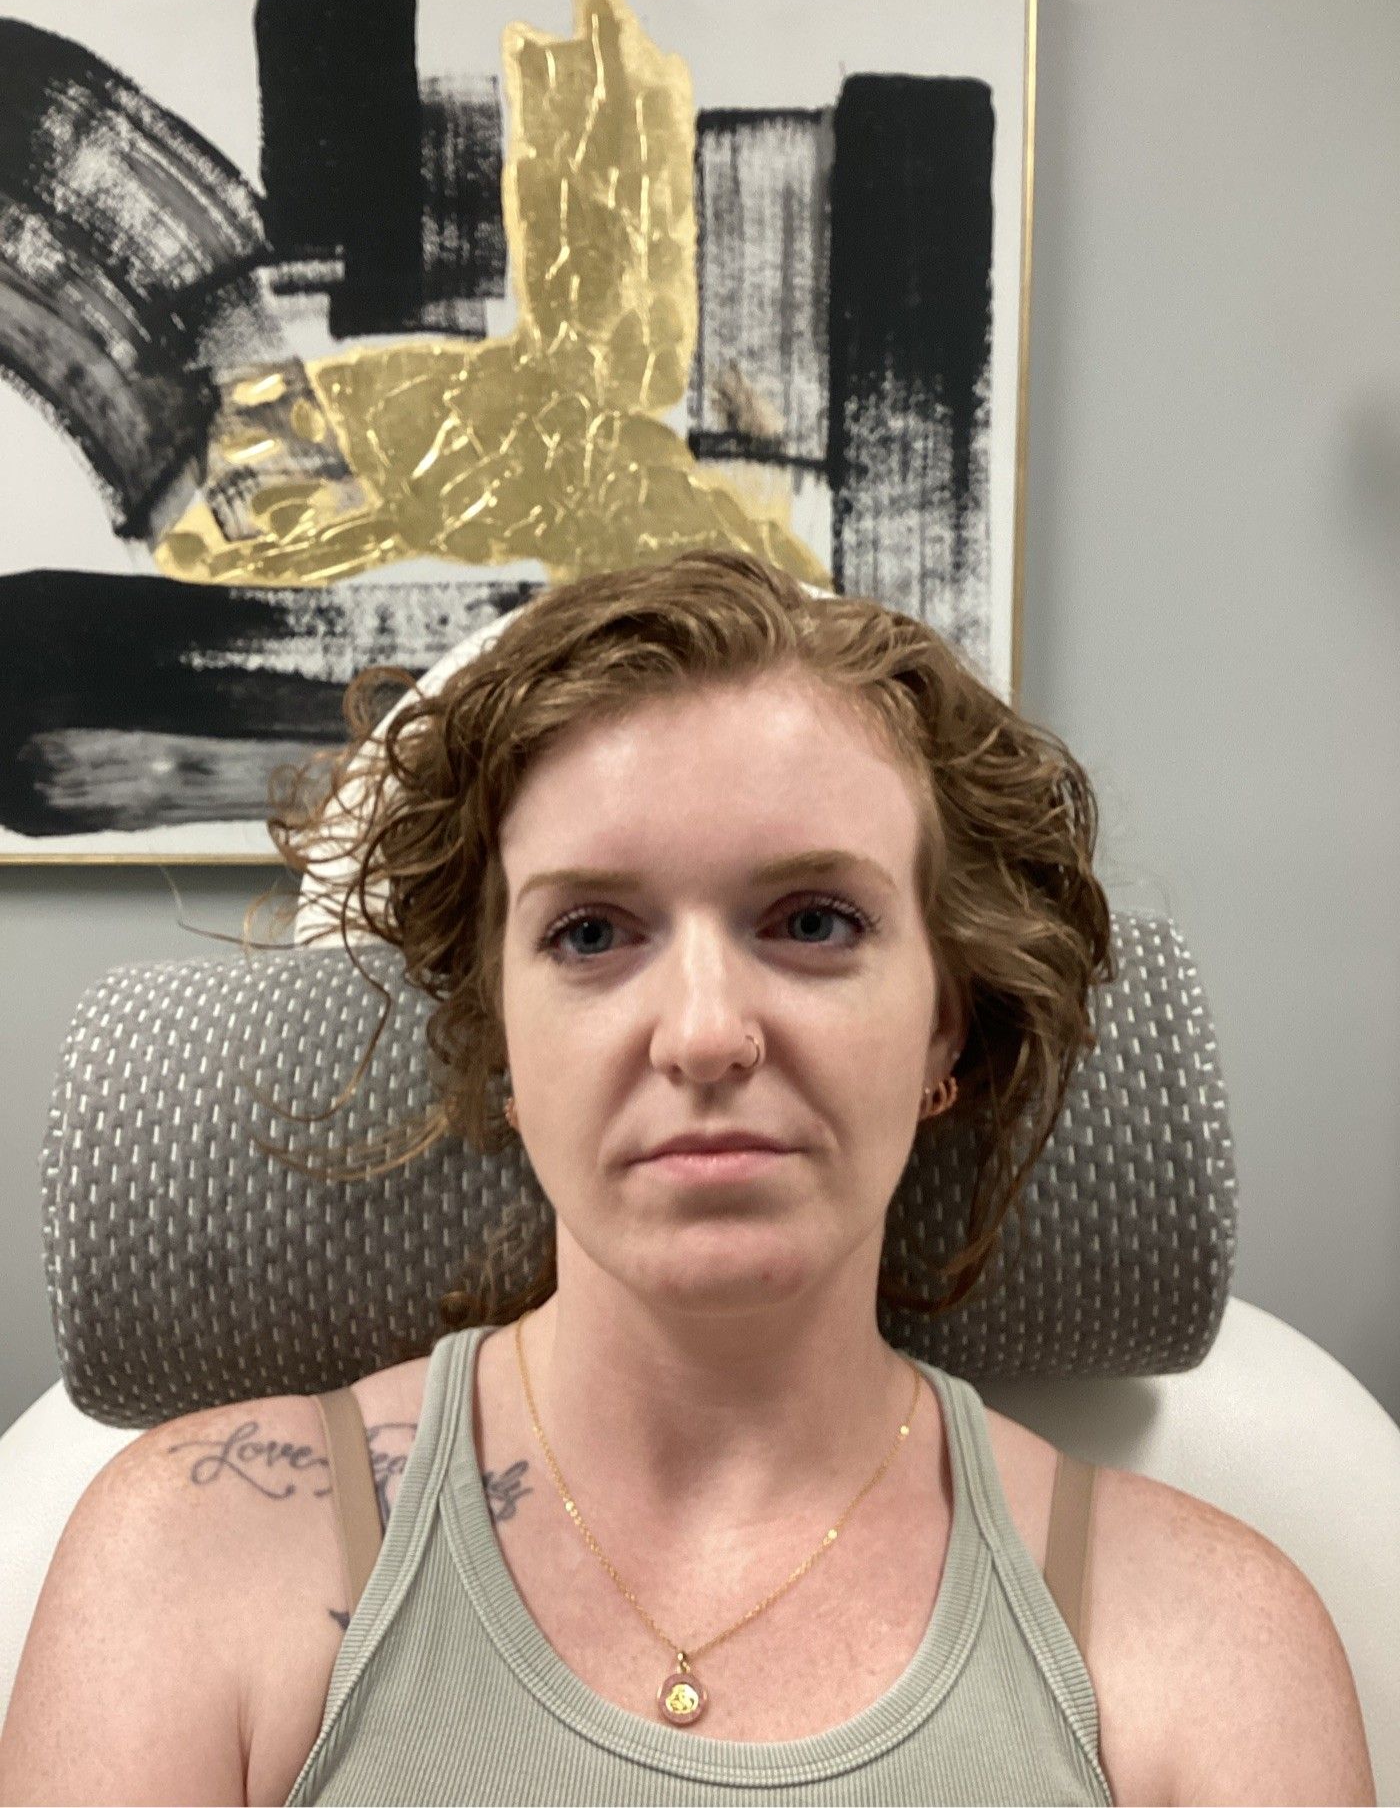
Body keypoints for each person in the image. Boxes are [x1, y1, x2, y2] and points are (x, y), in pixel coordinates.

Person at [0, 551, 1375, 1807]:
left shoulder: (1212, 1652)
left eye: (816, 921)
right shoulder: (190, 1565)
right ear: (498, 1041)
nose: (709, 1032)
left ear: (944, 1027)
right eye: (593, 932)